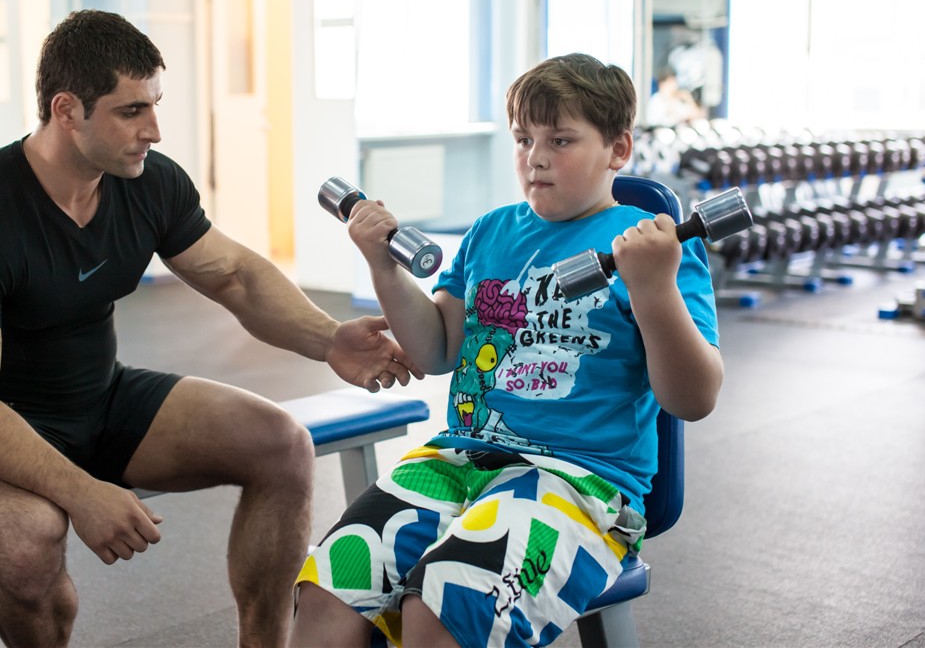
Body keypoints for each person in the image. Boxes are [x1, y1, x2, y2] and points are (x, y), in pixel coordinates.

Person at [0, 9, 420, 648]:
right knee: (26, 542)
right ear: (66, 111)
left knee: (282, 444)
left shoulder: (147, 182)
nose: (153, 129)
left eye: (154, 105)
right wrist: (82, 492)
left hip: (102, 399)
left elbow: (234, 275)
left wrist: (328, 338)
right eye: (131, 111)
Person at [291, 53, 723, 648]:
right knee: (330, 584)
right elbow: (437, 350)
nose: (535, 157)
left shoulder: (652, 247)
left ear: (618, 150)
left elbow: (694, 399)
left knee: (442, 606)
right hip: (458, 460)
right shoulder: (490, 232)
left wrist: (653, 289)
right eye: (524, 139)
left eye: (560, 140)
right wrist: (383, 267)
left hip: (581, 482)